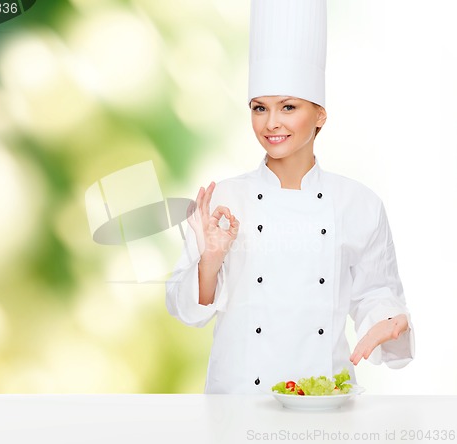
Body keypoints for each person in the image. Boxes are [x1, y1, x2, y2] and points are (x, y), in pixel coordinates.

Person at [165, 0, 414, 394]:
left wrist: (389, 317)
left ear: (320, 115)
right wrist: (211, 258)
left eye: (289, 107)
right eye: (259, 108)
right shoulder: (224, 199)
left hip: (325, 398)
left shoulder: (359, 203)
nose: (271, 123)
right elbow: (184, 310)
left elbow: (376, 293)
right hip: (239, 401)